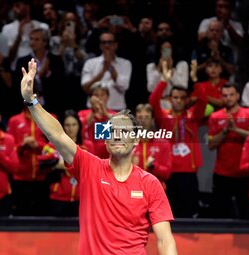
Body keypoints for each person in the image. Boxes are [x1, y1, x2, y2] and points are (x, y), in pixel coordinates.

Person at [21, 58, 177, 254]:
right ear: (105, 140)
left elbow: (165, 240)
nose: (118, 135)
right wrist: (31, 101)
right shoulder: (89, 167)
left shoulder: (150, 183)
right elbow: (58, 135)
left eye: (125, 131)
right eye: (112, 131)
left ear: (136, 140)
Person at [149, 61, 207, 218]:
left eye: (182, 98)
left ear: (187, 100)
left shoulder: (193, 116)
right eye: (175, 97)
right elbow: (153, 101)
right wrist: (164, 80)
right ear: (170, 99)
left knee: (190, 212)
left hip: (189, 172)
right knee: (170, 214)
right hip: (169, 172)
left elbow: (203, 101)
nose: (179, 101)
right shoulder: (163, 117)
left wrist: (195, 80)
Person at [208, 84, 249, 218]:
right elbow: (211, 145)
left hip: (245, 173)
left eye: (231, 95)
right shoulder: (215, 116)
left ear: (237, 96)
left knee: (246, 213)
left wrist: (235, 129)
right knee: (221, 214)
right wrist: (225, 131)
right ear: (221, 97)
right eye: (225, 95)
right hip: (222, 174)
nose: (228, 98)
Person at [43, 110, 94, 217]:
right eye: (67, 125)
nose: (71, 128)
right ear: (62, 126)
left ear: (79, 126)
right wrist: (56, 164)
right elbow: (42, 164)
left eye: (74, 124)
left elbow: (92, 170)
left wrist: (67, 166)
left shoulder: (88, 146)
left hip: (81, 198)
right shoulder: (52, 145)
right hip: (58, 197)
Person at [81, 31, 132, 111]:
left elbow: (124, 86)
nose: (107, 45)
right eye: (104, 42)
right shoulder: (90, 63)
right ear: (100, 45)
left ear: (116, 45)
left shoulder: (125, 63)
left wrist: (110, 67)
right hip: (94, 111)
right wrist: (102, 72)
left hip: (117, 110)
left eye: (110, 42)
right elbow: (86, 88)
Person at [132, 103, 172, 189]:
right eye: (140, 117)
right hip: (134, 189)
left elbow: (167, 173)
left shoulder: (163, 143)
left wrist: (153, 166)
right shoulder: (128, 144)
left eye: (147, 117)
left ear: (152, 119)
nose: (143, 120)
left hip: (155, 190)